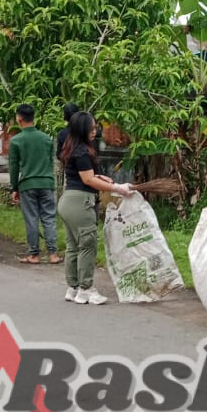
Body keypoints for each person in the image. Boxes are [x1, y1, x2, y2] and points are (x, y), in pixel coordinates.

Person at [57, 111, 133, 305]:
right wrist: (116, 187)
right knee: (87, 246)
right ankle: (86, 289)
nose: (95, 130)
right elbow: (87, 179)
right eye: (91, 127)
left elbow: (84, 175)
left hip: (68, 201)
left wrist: (102, 178)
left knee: (73, 246)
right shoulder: (82, 150)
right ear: (82, 129)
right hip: (81, 202)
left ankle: (72, 287)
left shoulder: (72, 147)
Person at [8, 104, 62, 265]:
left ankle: (34, 255)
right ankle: (53, 254)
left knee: (31, 219)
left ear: (19, 119)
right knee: (49, 218)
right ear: (33, 117)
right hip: (46, 182)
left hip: (27, 184)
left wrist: (14, 187)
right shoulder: (46, 138)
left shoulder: (16, 141)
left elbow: (14, 166)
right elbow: (50, 160)